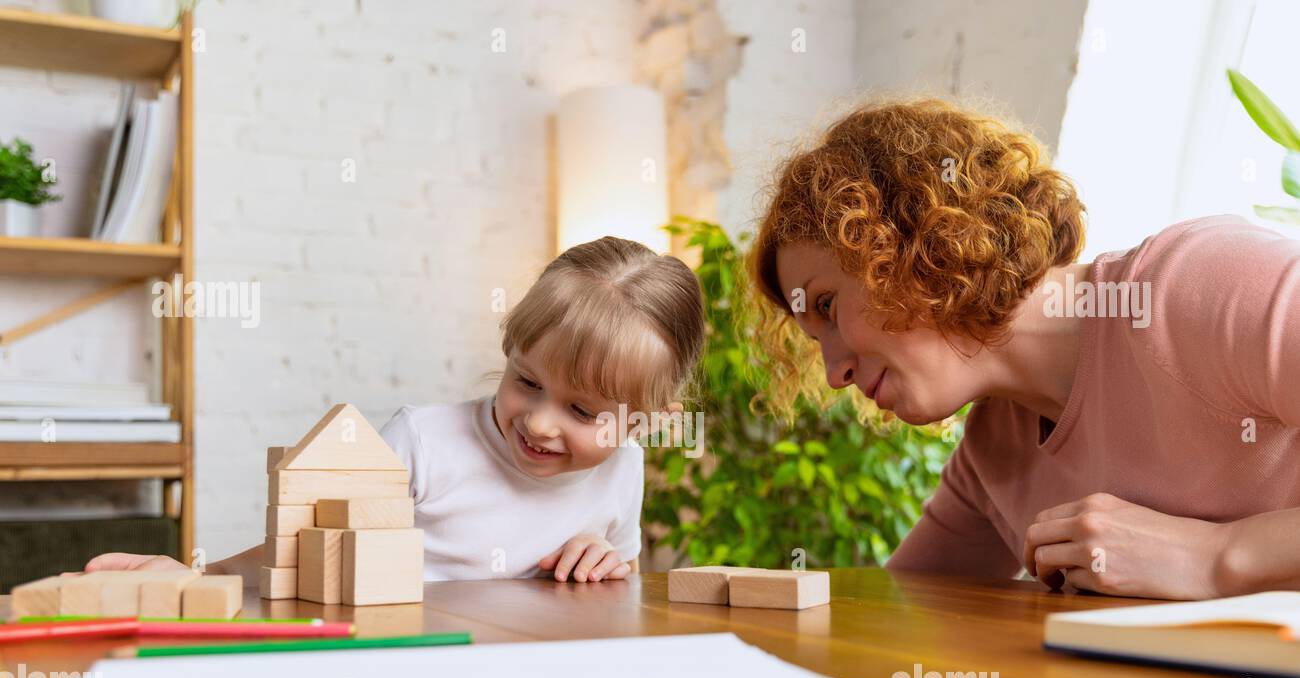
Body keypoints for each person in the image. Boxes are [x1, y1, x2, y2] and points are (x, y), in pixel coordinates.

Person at [750, 97, 1300, 600]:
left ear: (915, 238)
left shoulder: (1197, 286)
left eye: (827, 307)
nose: (833, 373)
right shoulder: (994, 453)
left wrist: (1214, 557)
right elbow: (897, 616)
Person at [87, 235, 705, 584]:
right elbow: (301, 549)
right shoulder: (424, 442)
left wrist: (610, 565)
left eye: (582, 409)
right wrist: (199, 578)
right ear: (509, 347)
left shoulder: (623, 469)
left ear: (642, 422)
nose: (541, 422)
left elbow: (618, 580)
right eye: (527, 381)